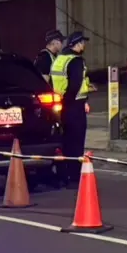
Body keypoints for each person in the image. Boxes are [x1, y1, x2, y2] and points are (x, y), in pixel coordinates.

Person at [49, 30, 90, 186]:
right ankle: (74, 177)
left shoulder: (60, 58)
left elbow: (53, 82)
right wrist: (70, 102)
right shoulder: (76, 61)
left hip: (59, 106)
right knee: (76, 143)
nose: (84, 46)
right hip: (74, 106)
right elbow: (74, 85)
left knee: (65, 142)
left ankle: (63, 174)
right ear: (77, 44)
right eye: (83, 43)